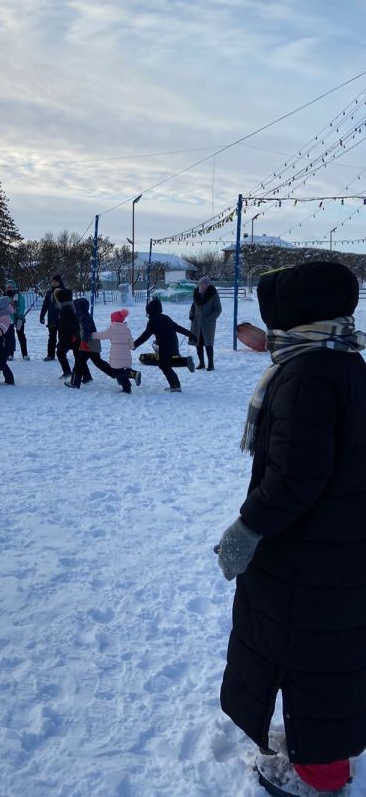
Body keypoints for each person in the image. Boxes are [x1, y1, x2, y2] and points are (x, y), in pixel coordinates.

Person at [218, 261, 366, 797]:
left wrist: (247, 529)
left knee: (313, 656)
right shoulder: (344, 359)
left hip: (312, 551)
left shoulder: (307, 374)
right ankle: (319, 752)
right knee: (326, 653)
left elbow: (297, 477)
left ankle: (321, 775)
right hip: (337, 543)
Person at [132, 298, 195, 392]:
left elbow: (145, 336)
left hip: (165, 346)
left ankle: (175, 386)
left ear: (150, 311)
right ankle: (185, 361)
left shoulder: (153, 321)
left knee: (164, 365)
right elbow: (177, 328)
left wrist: (135, 345)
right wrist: (190, 334)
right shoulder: (166, 317)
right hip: (173, 344)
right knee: (169, 362)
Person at [92, 309, 140, 393]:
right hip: (126, 355)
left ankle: (132, 376)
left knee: (117, 372)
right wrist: (131, 347)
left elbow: (102, 335)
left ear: (113, 320)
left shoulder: (112, 330)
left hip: (116, 356)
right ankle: (127, 387)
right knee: (120, 372)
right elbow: (131, 345)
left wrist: (91, 335)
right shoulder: (127, 330)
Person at [54, 288, 93, 383]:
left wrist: (74, 334)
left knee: (60, 353)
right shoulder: (70, 307)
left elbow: (70, 324)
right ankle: (87, 376)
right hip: (73, 336)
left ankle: (68, 372)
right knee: (78, 356)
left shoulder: (65, 310)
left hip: (68, 337)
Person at [189, 276, 222, 371]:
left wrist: (210, 319)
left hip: (208, 324)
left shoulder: (213, 294)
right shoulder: (196, 293)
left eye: (204, 284)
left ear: (208, 285)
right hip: (197, 323)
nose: (202, 286)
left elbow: (218, 309)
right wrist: (191, 315)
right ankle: (201, 363)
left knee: (208, 344)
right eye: (200, 284)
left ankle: (210, 364)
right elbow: (193, 306)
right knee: (198, 343)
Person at [39, 275, 64, 361]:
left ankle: (62, 355)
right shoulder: (49, 293)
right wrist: (42, 316)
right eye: (53, 281)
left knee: (62, 337)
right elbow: (45, 305)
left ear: (59, 282)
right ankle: (50, 355)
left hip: (62, 319)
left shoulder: (64, 291)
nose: (54, 283)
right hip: (52, 319)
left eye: (56, 281)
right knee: (52, 337)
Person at [5, 279, 30, 360]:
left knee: (21, 335)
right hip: (9, 319)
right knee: (10, 337)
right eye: (8, 287)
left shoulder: (19, 295)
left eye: (11, 287)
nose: (9, 288)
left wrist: (20, 316)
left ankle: (25, 354)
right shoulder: (5, 297)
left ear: (14, 287)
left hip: (19, 318)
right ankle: (10, 354)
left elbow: (22, 306)